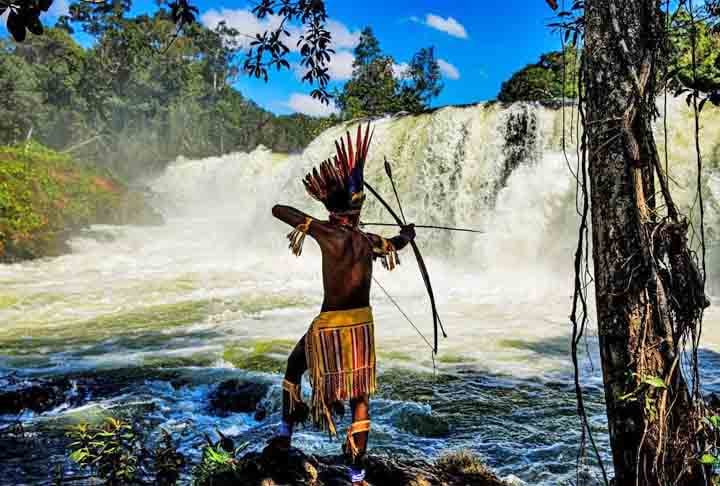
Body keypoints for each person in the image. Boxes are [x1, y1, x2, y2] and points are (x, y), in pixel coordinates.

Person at [265, 124, 415, 485]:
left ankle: (285, 438)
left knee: (293, 366)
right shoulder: (368, 240)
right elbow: (394, 244)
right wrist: (407, 235)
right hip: (361, 326)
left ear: (332, 209)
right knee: (359, 397)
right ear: (356, 210)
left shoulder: (326, 232)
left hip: (330, 325)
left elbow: (277, 209)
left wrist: (313, 221)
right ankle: (357, 475)